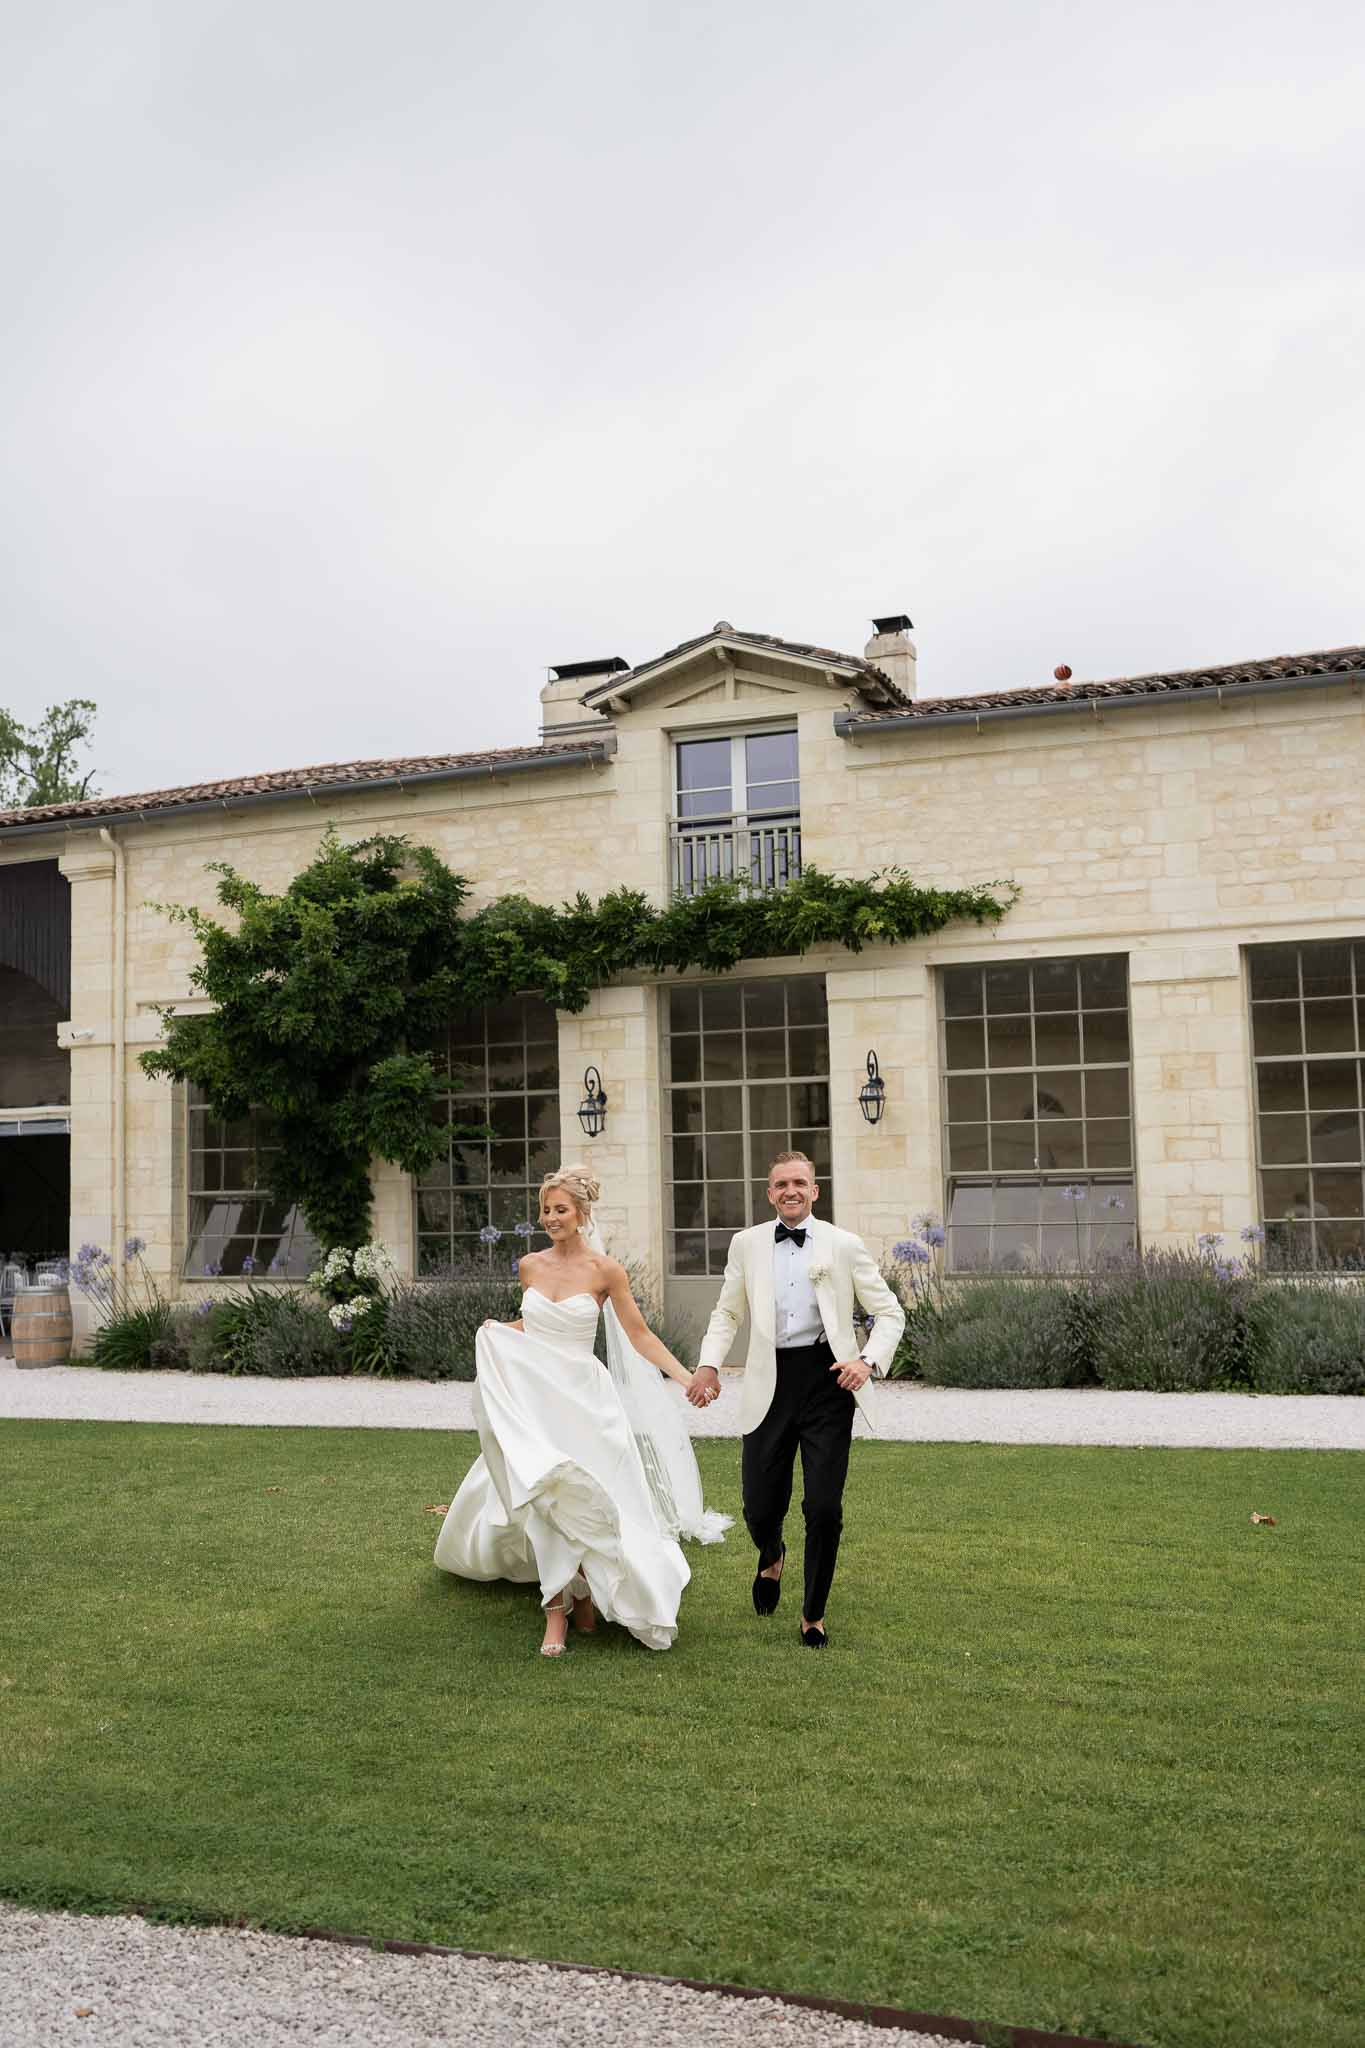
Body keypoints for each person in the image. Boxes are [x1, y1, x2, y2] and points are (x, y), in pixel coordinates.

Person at [434, 1165, 728, 1656]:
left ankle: (587, 1592)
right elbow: (534, 1325)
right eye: (545, 1210)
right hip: (536, 1399)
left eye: (560, 1209)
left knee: (586, 1494)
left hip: (585, 1401)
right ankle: (557, 1611)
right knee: (548, 1492)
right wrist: (499, 1330)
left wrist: (687, 1377)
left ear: (582, 1214)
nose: (551, 1218)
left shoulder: (605, 1271)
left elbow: (640, 1336)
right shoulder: (529, 1265)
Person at [689, 1150, 904, 1648]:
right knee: (759, 1505)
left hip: (830, 1381)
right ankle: (771, 1555)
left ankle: (813, 1614)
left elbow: (889, 1312)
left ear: (815, 1190)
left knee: (824, 1506)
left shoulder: (844, 1245)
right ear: (770, 1193)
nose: (791, 1190)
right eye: (781, 1183)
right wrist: (708, 1364)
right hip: (769, 1381)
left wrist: (865, 1361)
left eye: (800, 1183)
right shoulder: (745, 1245)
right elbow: (727, 1314)